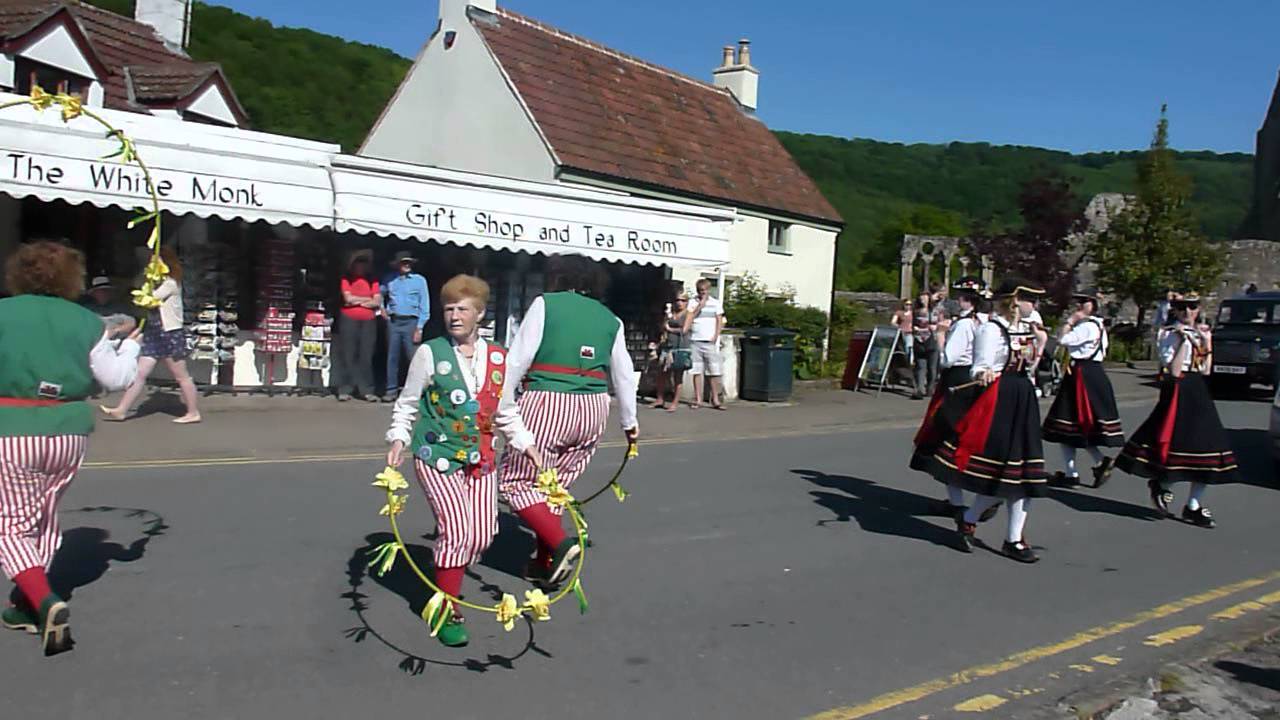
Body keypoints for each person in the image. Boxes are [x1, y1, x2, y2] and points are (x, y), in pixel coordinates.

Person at [0, 241, 141, 656]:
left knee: (8, 524)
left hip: (12, 427)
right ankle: (24, 604)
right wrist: (131, 345)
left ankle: (44, 601)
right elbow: (116, 379)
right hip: (67, 432)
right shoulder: (86, 321)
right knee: (42, 516)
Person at [385, 275, 529, 647]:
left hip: (481, 460)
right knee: (457, 532)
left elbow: (506, 411)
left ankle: (447, 570)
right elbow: (408, 402)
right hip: (438, 458)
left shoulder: (499, 357)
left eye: (462, 308)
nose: (453, 315)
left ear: (480, 313)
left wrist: (526, 444)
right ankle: (445, 608)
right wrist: (399, 437)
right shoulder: (430, 353)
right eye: (448, 308)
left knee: (482, 534)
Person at [497, 255, 639, 588]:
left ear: (558, 276)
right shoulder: (610, 319)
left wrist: (500, 403)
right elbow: (623, 375)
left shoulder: (546, 304)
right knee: (556, 487)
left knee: (516, 482)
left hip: (548, 400)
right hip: (593, 406)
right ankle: (544, 564)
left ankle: (561, 543)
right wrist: (629, 423)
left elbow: (518, 358)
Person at [915, 278, 1049, 563]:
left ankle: (1010, 537)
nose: (1034, 305)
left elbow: (1030, 365)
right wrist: (983, 373)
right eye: (1029, 299)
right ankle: (976, 520)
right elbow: (979, 365)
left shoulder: (1025, 328)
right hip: (1000, 399)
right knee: (1003, 473)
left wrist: (1039, 345)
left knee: (1024, 475)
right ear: (1013, 300)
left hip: (1022, 397)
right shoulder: (991, 329)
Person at [1116, 294, 1237, 528]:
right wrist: (1183, 342)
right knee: (1174, 441)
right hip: (1177, 390)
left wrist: (1207, 342)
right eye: (1182, 307)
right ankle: (1162, 484)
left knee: (1207, 446)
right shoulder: (1169, 333)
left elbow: (1205, 370)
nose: (1187, 312)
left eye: (1191, 307)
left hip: (1197, 390)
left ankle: (1193, 506)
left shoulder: (1200, 331)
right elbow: (1173, 370)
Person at [911, 277, 998, 523]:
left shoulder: (963, 325)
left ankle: (959, 503)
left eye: (959, 296)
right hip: (980, 380)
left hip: (958, 380)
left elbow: (948, 357)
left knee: (943, 440)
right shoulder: (989, 323)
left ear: (964, 299)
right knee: (969, 436)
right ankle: (962, 500)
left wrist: (941, 335)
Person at [101, 246, 201, 424]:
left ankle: (193, 412)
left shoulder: (170, 283)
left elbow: (150, 299)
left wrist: (146, 285)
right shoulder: (158, 281)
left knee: (181, 376)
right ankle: (121, 410)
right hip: (155, 332)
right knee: (140, 373)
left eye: (156, 261)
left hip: (169, 333)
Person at [1042, 291, 1124, 488]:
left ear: (1093, 305)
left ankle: (1079, 470)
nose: (1079, 305)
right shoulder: (1098, 326)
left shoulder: (1087, 326)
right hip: (1090, 373)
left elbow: (1062, 340)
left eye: (1084, 302)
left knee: (1071, 424)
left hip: (1082, 376)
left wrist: (1069, 322)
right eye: (1078, 302)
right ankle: (1083, 468)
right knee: (1072, 428)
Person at [382, 251, 431, 402]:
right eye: (403, 262)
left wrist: (420, 327)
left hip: (411, 322)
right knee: (392, 357)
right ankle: (391, 390)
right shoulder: (390, 280)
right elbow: (378, 294)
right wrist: (382, 309)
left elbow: (425, 305)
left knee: (413, 358)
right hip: (394, 321)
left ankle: (415, 390)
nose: (406, 265)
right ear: (397, 265)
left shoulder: (419, 281)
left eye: (408, 262)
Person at [335, 250, 381, 402]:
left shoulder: (372, 280)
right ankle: (345, 388)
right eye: (359, 263)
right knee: (348, 354)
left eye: (364, 263)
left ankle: (366, 390)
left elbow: (377, 301)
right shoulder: (346, 279)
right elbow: (347, 299)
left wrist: (357, 301)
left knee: (366, 355)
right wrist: (366, 300)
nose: (361, 266)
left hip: (368, 320)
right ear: (353, 265)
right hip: (349, 319)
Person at [683, 279, 726, 410]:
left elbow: (720, 320)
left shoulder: (715, 303)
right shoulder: (692, 302)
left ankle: (715, 399)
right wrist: (699, 306)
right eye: (700, 291)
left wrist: (716, 335)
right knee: (697, 371)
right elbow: (689, 318)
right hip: (695, 340)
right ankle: (698, 399)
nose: (702, 293)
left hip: (709, 341)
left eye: (704, 291)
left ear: (708, 290)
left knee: (713, 372)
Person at [652, 293, 691, 412]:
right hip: (667, 346)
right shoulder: (670, 313)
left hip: (680, 346)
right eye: (677, 300)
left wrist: (670, 329)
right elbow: (663, 327)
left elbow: (684, 330)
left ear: (686, 302)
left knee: (677, 376)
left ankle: (675, 402)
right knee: (662, 373)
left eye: (682, 300)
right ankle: (660, 398)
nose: (679, 302)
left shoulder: (688, 314)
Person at [910, 291, 939, 399]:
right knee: (920, 367)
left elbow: (938, 324)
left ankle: (930, 388)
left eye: (925, 298)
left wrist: (935, 327)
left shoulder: (934, 311)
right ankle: (919, 389)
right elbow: (913, 325)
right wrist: (914, 329)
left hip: (931, 341)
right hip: (919, 341)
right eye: (921, 298)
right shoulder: (916, 311)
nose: (922, 300)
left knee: (932, 368)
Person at [891, 299, 914, 364]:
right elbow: (893, 322)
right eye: (907, 304)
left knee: (909, 346)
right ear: (903, 305)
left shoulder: (913, 313)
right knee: (899, 347)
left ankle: (910, 361)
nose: (908, 306)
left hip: (910, 333)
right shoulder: (899, 312)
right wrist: (899, 327)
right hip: (901, 332)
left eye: (910, 305)